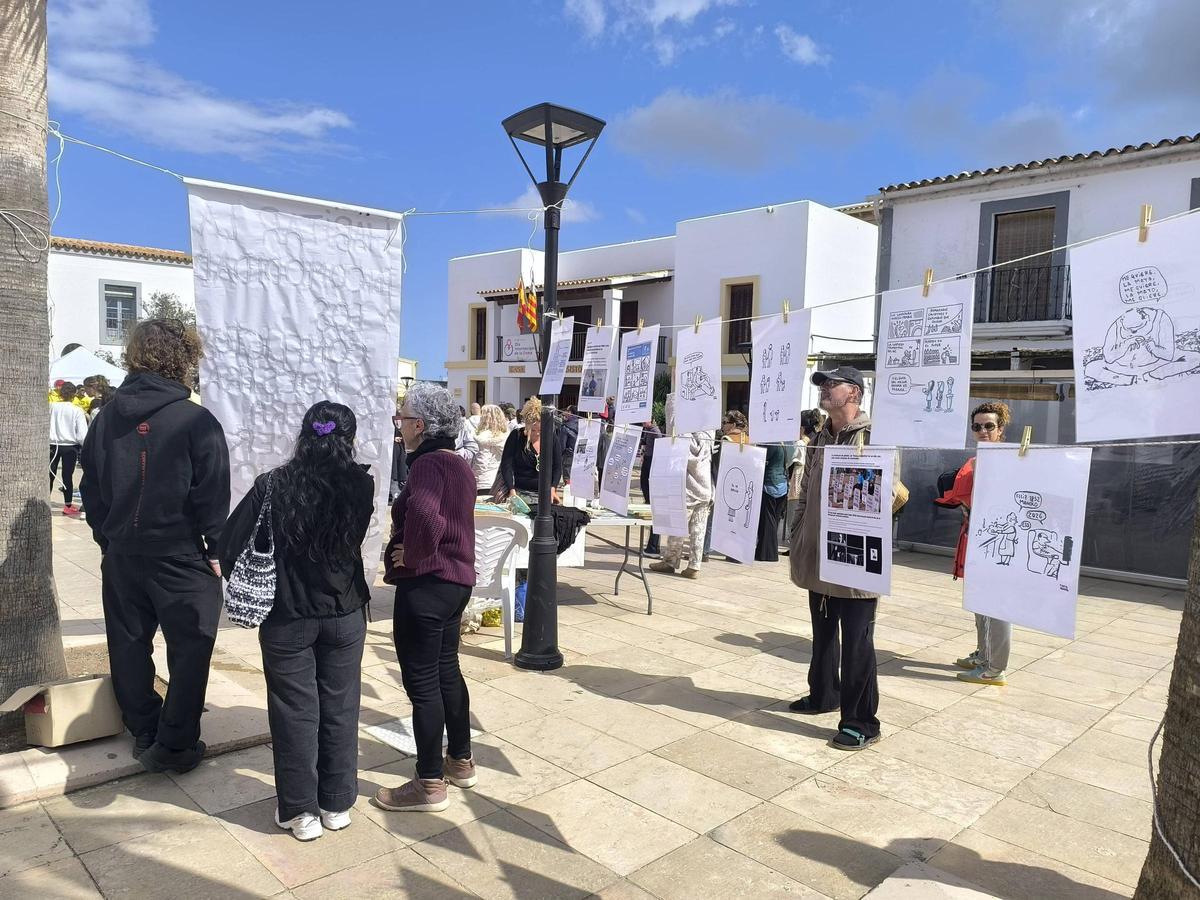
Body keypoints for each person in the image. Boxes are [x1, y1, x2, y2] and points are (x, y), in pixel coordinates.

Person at [219, 402, 373, 842]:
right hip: (344, 613)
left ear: (305, 435)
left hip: (287, 617)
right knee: (341, 708)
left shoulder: (273, 485)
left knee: (294, 713)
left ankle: (300, 811)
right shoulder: (361, 485)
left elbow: (230, 545)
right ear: (349, 438)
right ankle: (337, 803)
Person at [80, 319, 229, 773]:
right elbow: (212, 492)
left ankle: (145, 727)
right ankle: (176, 742)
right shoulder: (195, 419)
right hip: (180, 553)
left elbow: (91, 488)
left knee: (128, 643)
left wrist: (107, 536)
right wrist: (217, 547)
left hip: (124, 552)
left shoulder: (106, 417)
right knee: (191, 647)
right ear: (184, 358)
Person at [375, 383, 477, 814]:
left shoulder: (427, 466)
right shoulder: (458, 464)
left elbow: (425, 515)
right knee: (446, 670)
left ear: (420, 424)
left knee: (423, 685)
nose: (399, 425)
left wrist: (412, 554)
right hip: (456, 583)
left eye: (403, 418)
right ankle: (461, 761)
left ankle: (430, 782)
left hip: (429, 585)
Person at [787, 366, 894, 752]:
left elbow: (895, 494)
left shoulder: (873, 437)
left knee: (857, 645)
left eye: (831, 385)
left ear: (853, 394)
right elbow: (807, 489)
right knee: (823, 635)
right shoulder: (820, 435)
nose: (824, 390)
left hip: (854, 560)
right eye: (822, 385)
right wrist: (798, 534)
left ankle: (861, 721)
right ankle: (823, 695)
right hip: (817, 555)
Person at [936, 401, 1014, 686]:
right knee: (980, 603)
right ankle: (985, 654)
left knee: (996, 605)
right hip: (976, 537)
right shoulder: (981, 457)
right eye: (977, 426)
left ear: (1000, 428)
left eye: (989, 426)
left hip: (997, 541)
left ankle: (995, 667)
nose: (982, 431)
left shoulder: (1008, 460)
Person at [650, 394, 712, 579]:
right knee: (698, 529)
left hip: (686, 487)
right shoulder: (709, 433)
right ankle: (694, 565)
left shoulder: (684, 436)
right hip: (705, 487)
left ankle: (670, 561)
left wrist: (674, 398)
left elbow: (672, 427)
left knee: (676, 527)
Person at [496, 398, 562, 505]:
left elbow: (557, 467)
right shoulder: (517, 436)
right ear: (526, 425)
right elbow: (506, 465)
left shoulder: (551, 438)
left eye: (541, 430)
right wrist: (511, 490)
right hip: (520, 492)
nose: (537, 434)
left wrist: (553, 488)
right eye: (533, 430)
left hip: (545, 493)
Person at [703, 410, 746, 561]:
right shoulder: (748, 439)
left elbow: (716, 464)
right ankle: (733, 554)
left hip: (723, 483)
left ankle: (704, 551)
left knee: (711, 519)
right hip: (741, 487)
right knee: (735, 522)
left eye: (724, 422)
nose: (722, 426)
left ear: (733, 424)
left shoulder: (725, 440)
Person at [50, 382, 89, 517]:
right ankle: (67, 505)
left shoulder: (51, 407)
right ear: (74, 394)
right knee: (67, 476)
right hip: (70, 447)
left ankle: (46, 502)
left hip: (52, 445)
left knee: (50, 475)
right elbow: (82, 434)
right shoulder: (77, 410)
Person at [756, 439, 792, 561]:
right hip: (782, 484)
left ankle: (767, 553)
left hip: (769, 484)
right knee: (774, 521)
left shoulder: (771, 444)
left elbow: (761, 457)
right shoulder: (784, 444)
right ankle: (768, 552)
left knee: (767, 521)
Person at [472, 404, 509, 495]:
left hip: (483, 480)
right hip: (499, 480)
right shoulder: (505, 436)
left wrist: (474, 476)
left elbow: (482, 460)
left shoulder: (483, 437)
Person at [640, 418, 663, 557]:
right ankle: (652, 545)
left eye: (645, 420)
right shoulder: (648, 430)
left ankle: (653, 546)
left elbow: (658, 445)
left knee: (653, 507)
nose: (643, 423)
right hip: (648, 461)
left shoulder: (655, 432)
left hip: (652, 463)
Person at [558, 405, 580, 475]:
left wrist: (559, 455)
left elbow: (562, 445)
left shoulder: (566, 427)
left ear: (570, 412)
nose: (564, 412)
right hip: (579, 453)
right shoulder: (581, 424)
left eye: (567, 410)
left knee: (567, 477)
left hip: (568, 454)